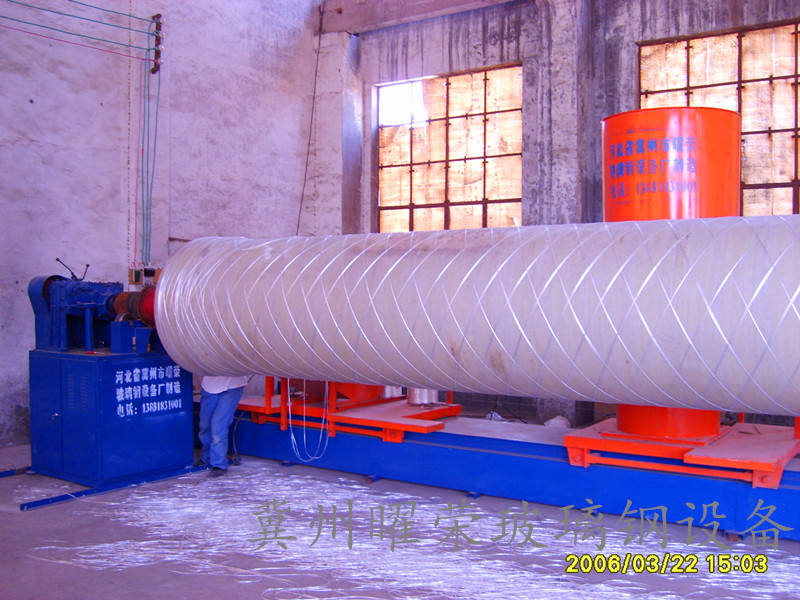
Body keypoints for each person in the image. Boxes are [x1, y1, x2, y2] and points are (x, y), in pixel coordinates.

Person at [198, 375, 248, 477]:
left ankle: (219, 464)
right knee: (204, 426)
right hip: (209, 386)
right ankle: (206, 458)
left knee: (218, 427)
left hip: (232, 387)